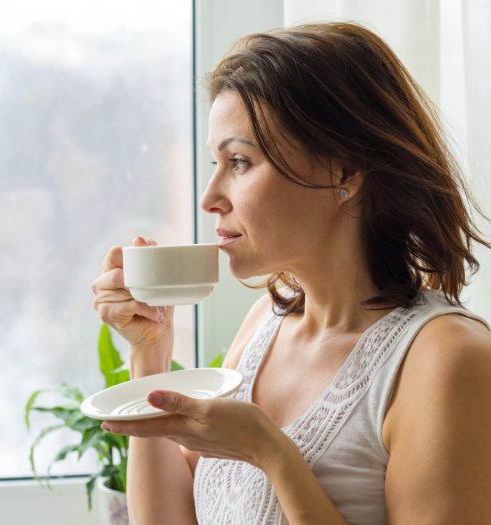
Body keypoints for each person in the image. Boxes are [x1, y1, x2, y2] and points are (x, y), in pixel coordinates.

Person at [91, 22, 491, 525]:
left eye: (239, 161)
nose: (209, 198)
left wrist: (273, 455)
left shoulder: (447, 358)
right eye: (216, 161)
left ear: (342, 172)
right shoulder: (264, 325)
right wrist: (150, 354)